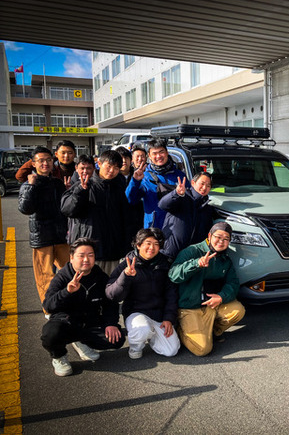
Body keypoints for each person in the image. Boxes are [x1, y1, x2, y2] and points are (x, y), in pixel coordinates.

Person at [41, 238, 125, 377]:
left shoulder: (100, 276)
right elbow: (48, 305)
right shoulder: (62, 277)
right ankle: (59, 356)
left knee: (118, 339)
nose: (86, 259)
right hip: (65, 322)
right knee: (50, 335)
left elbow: (110, 303)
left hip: (89, 323)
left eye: (90, 255)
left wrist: (111, 324)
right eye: (81, 255)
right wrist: (66, 292)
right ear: (71, 257)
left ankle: (81, 341)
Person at [168, 222, 245, 356]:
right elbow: (173, 275)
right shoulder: (192, 251)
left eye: (226, 239)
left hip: (212, 305)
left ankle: (213, 331)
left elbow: (233, 283)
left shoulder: (225, 259)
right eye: (218, 237)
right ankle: (182, 330)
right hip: (190, 307)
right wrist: (196, 264)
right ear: (209, 236)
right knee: (202, 350)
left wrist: (221, 297)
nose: (221, 241)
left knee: (238, 310)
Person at [106, 228, 180, 359]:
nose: (152, 247)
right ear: (138, 245)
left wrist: (169, 318)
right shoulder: (127, 263)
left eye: (156, 244)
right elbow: (112, 295)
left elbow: (171, 294)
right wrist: (126, 276)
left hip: (159, 314)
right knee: (142, 329)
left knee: (171, 351)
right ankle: (136, 347)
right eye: (148, 243)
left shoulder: (165, 263)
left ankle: (151, 334)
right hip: (136, 312)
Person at [18, 146, 70, 312]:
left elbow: (65, 209)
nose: (45, 163)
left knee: (69, 271)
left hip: (61, 236)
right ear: (33, 163)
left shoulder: (57, 183)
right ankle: (50, 309)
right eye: (41, 160)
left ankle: (68, 305)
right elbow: (25, 209)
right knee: (45, 277)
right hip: (41, 237)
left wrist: (68, 191)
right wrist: (30, 187)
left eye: (48, 160)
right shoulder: (29, 183)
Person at [61, 150, 130, 274]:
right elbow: (67, 210)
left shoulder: (119, 189)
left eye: (116, 168)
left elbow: (125, 219)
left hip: (112, 251)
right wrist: (80, 192)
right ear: (99, 163)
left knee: (109, 288)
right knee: (85, 287)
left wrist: (125, 246)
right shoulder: (83, 185)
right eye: (108, 166)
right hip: (88, 250)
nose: (111, 171)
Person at [126, 138, 188, 229]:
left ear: (167, 152)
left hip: (176, 228)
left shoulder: (180, 176)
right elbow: (131, 199)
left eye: (161, 152)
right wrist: (135, 181)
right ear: (149, 156)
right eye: (154, 153)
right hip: (153, 229)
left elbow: (190, 202)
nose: (158, 156)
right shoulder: (145, 176)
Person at [158, 172, 213, 260]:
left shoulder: (207, 208)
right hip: (170, 253)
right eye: (202, 184)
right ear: (193, 183)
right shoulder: (182, 197)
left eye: (208, 186)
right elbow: (162, 205)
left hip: (191, 257)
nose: (204, 188)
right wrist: (176, 193)